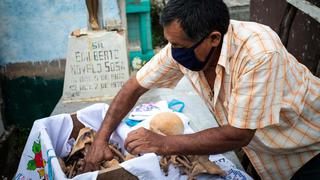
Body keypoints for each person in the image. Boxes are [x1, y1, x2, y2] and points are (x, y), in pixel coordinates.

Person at [83, 0, 320, 179]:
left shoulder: (259, 54)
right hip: (264, 154)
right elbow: (134, 86)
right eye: (170, 43)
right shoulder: (188, 45)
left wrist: (162, 143)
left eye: (178, 45)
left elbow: (239, 133)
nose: (173, 52)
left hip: (307, 148)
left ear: (214, 38)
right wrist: (100, 141)